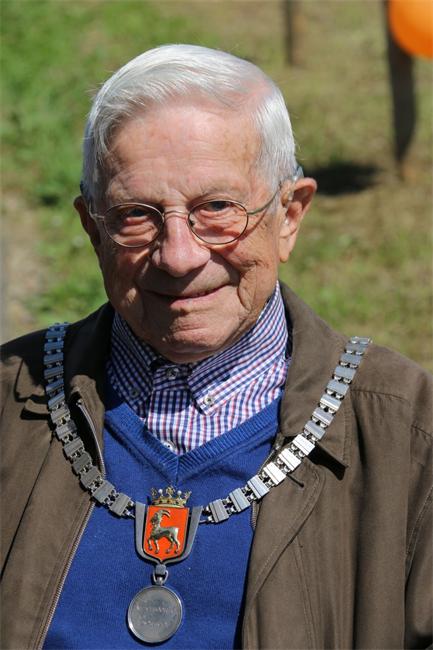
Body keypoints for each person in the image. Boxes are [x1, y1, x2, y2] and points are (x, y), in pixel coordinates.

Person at [1, 44, 431, 650]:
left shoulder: (408, 438)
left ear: (289, 216)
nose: (179, 256)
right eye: (136, 214)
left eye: (217, 208)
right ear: (92, 229)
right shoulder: (10, 407)